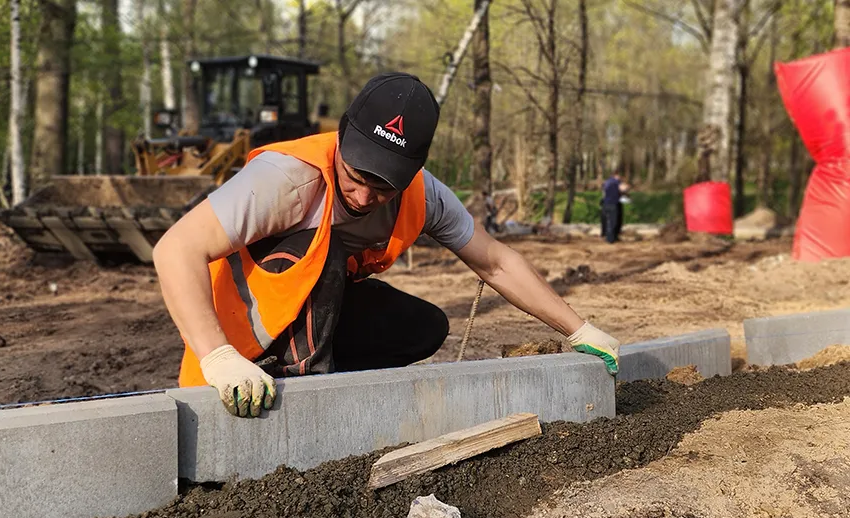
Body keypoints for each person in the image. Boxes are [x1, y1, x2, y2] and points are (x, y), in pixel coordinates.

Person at [152, 73, 622, 418]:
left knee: (423, 327)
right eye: (355, 177)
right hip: (236, 343)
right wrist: (218, 357)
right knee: (327, 257)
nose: (362, 197)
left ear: (413, 171)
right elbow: (174, 249)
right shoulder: (283, 180)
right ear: (342, 136)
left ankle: (337, 395)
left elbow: (496, 263)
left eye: (383, 188)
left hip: (315, 312)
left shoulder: (425, 194)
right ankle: (300, 401)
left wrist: (579, 330)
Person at [601, 169, 629, 243]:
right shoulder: (617, 182)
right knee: (613, 221)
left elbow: (603, 193)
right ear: (617, 175)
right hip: (613, 203)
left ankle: (609, 236)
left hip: (605, 204)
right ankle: (610, 239)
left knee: (607, 221)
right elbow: (624, 188)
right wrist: (627, 189)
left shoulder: (606, 182)